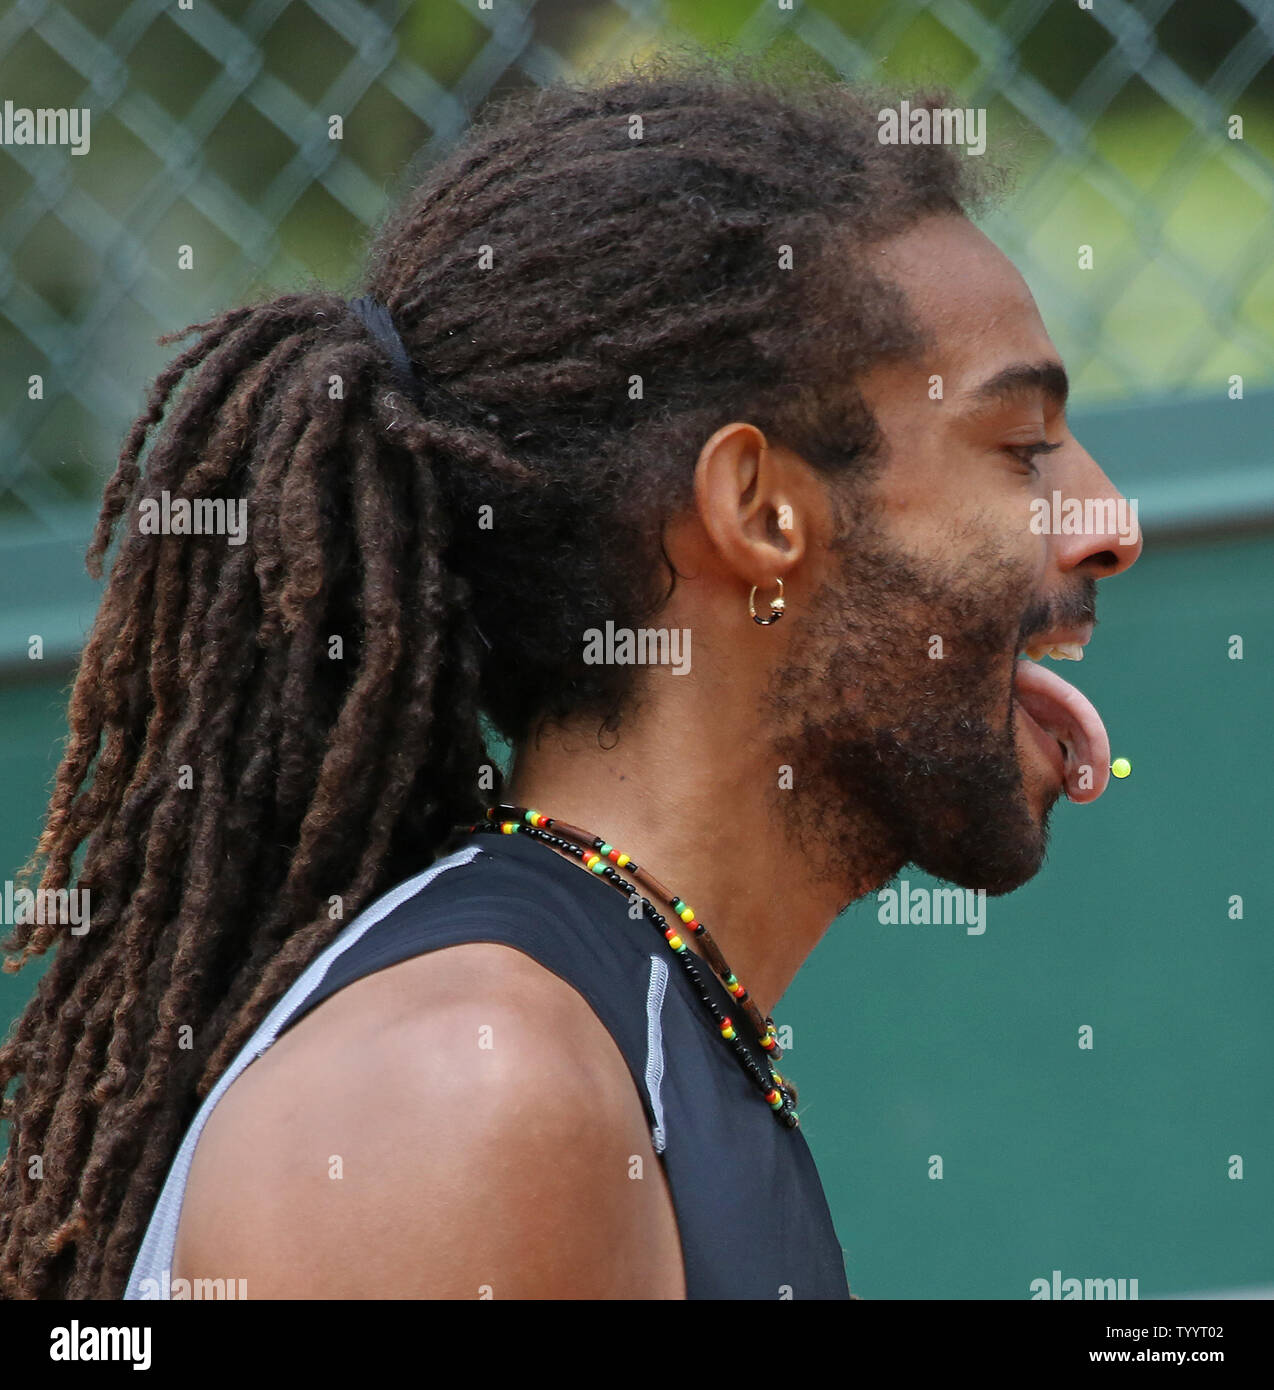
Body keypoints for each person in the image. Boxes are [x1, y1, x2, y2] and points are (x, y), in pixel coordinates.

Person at [0, 50, 1141, 1300]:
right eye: (1020, 448)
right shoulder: (472, 1094)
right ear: (757, 512)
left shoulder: (622, 1027)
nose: (1107, 522)